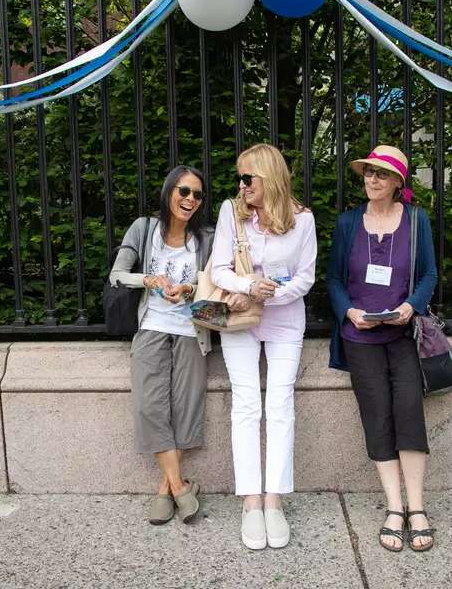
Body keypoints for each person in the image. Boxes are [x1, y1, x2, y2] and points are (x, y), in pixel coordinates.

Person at [326, 145, 438, 552]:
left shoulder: (416, 220)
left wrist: (410, 307)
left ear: (397, 183)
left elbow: (429, 273)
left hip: (403, 335)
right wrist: (348, 311)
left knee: (409, 412)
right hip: (360, 338)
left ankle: (418, 508)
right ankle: (394, 508)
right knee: (377, 418)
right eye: (368, 173)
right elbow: (334, 279)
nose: (372, 180)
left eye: (381, 175)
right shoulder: (348, 223)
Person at [211, 143, 317, 550]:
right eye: (239, 177)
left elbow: (304, 278)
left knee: (280, 405)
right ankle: (251, 502)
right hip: (239, 320)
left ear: (269, 177)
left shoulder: (303, 220)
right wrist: (246, 286)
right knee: (246, 405)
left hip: (286, 320)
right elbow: (220, 267)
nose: (241, 185)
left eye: (247, 177)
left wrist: (267, 295)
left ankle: (274, 501)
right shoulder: (231, 213)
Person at [109, 165, 214, 526]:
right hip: (151, 327)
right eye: (184, 191)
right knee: (149, 408)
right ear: (170, 190)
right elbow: (117, 274)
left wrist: (189, 289)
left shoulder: (206, 238)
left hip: (191, 331)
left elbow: (217, 283)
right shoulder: (144, 229)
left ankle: (165, 489)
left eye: (197, 195)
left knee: (186, 409)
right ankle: (182, 487)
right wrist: (149, 279)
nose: (189, 200)